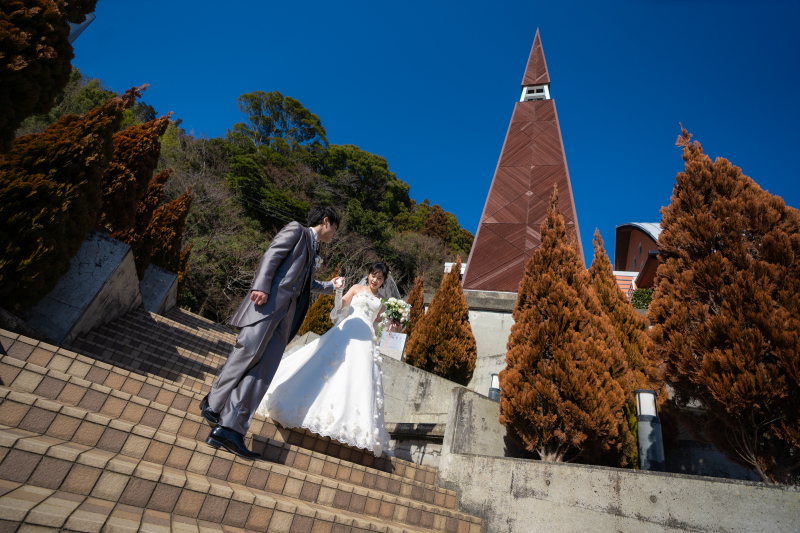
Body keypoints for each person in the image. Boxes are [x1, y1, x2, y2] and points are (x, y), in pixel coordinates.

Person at [200, 206, 345, 458]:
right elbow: (272, 256)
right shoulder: (297, 231)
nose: (335, 235)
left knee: (264, 369)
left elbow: (307, 285)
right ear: (326, 221)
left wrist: (331, 286)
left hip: (287, 316)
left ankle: (231, 428)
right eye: (335, 229)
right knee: (247, 354)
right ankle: (213, 405)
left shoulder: (314, 249)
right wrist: (261, 286)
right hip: (267, 305)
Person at [254, 261, 399, 457]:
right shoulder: (356, 288)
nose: (375, 280)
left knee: (359, 378)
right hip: (347, 330)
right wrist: (338, 292)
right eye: (373, 275)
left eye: (380, 278)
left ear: (384, 281)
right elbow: (340, 307)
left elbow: (380, 323)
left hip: (366, 339)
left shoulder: (383, 301)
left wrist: (394, 321)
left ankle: (350, 427)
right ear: (369, 274)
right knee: (326, 366)